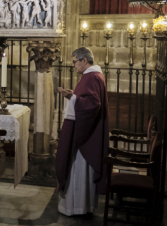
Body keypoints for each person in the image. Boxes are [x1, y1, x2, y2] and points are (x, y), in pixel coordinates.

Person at [55, 47, 109, 216]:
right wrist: (73, 96)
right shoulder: (94, 76)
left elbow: (93, 105)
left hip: (85, 138)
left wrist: (72, 98)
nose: (73, 66)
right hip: (89, 133)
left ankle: (77, 208)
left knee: (78, 171)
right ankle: (82, 207)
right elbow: (88, 100)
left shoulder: (91, 77)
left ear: (84, 61)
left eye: (74, 62)